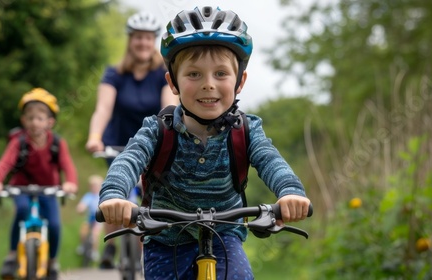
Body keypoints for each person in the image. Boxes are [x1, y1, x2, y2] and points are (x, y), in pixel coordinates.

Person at [97, 6, 311, 279]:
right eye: (194, 74)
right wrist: (115, 194)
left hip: (225, 239)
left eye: (221, 74)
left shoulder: (245, 130)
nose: (208, 84)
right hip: (165, 242)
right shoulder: (156, 130)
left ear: (240, 81)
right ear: (173, 83)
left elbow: (271, 160)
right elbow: (128, 161)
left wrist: (290, 192)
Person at [85, 11, 178, 269]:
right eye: (138, 38)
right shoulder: (114, 73)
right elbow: (103, 108)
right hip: (116, 145)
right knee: (119, 190)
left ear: (154, 42)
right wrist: (94, 136)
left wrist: (167, 135)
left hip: (152, 145)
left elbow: (168, 108)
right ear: (130, 40)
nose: (143, 43)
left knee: (148, 199)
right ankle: (112, 243)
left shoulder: (164, 73)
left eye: (148, 38)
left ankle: (146, 252)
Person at [0, 88, 78, 280]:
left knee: (53, 224)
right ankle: (12, 255)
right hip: (21, 188)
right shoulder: (18, 142)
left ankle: (52, 261)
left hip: (49, 190)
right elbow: (5, 163)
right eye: (30, 118)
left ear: (49, 122)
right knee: (21, 212)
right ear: (23, 121)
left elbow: (67, 166)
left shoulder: (57, 143)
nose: (34, 122)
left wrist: (70, 183)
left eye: (39, 118)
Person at [76, 174, 103, 261]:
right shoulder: (88, 196)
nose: (94, 188)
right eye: (93, 186)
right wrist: (80, 208)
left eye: (96, 186)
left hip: (99, 218)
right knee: (83, 230)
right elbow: (83, 204)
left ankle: (94, 251)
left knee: (95, 234)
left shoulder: (101, 196)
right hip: (90, 217)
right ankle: (83, 245)